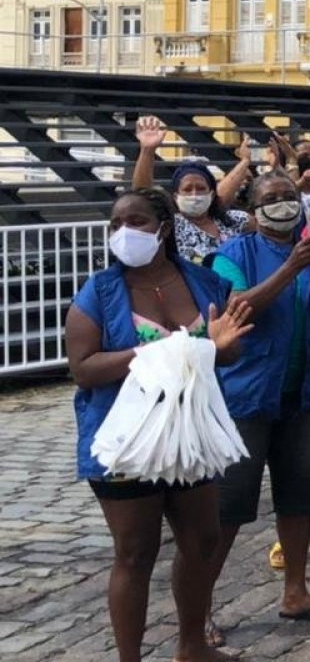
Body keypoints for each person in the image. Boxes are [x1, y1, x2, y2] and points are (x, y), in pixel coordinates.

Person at [66, 188, 253, 662]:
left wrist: (223, 348)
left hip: (189, 435)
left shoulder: (203, 283)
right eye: (115, 224)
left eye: (136, 221)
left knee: (202, 539)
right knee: (136, 551)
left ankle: (191, 645)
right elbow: (84, 368)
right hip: (126, 439)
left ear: (163, 229)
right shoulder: (100, 292)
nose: (123, 232)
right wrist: (158, 351)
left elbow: (224, 351)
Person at [205, 171, 310, 637]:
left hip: (303, 396)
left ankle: (296, 590)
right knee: (226, 509)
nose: (284, 204)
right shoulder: (234, 254)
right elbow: (237, 311)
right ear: (254, 210)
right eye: (272, 198)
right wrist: (290, 267)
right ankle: (199, 608)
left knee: (299, 500)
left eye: (290, 196)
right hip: (245, 397)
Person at [130, 117, 254, 263]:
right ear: (176, 196)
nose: (194, 194)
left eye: (201, 188)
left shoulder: (235, 220)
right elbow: (141, 197)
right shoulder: (171, 226)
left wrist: (246, 161)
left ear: (212, 194)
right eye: (187, 189)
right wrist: (147, 150)